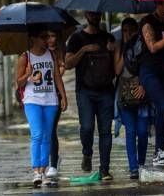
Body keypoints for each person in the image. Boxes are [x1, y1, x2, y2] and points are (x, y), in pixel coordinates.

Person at [65, 11, 116, 180]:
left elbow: (116, 68)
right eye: (91, 13)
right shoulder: (76, 38)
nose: (95, 16)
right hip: (85, 92)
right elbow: (68, 64)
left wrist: (114, 51)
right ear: (86, 15)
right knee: (86, 127)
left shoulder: (108, 38)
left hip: (106, 91)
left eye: (97, 13)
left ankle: (104, 169)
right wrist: (84, 50)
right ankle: (87, 153)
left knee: (105, 132)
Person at [17, 27, 67, 186]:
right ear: (33, 38)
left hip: (51, 101)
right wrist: (27, 75)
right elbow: (19, 82)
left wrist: (63, 97)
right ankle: (36, 171)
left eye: (48, 37)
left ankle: (43, 170)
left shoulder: (52, 54)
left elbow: (57, 77)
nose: (47, 40)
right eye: (43, 37)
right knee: (37, 134)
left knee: (46, 136)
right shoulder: (25, 57)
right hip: (32, 101)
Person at [139, 1, 164, 166]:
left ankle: (160, 151)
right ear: (160, 3)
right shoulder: (147, 22)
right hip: (150, 71)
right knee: (161, 107)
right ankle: (158, 153)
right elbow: (152, 47)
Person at [114, 17, 150, 179]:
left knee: (142, 132)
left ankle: (141, 163)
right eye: (125, 31)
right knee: (130, 131)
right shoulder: (119, 47)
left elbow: (148, 68)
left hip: (142, 95)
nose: (128, 34)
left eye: (131, 30)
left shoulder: (143, 46)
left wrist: (144, 86)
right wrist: (124, 48)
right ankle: (133, 167)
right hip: (125, 97)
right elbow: (117, 70)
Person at [46, 30, 66, 178]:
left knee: (51, 129)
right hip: (38, 97)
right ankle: (51, 159)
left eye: (53, 35)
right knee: (42, 132)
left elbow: (61, 71)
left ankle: (52, 164)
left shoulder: (58, 52)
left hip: (55, 95)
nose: (51, 39)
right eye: (47, 36)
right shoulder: (34, 53)